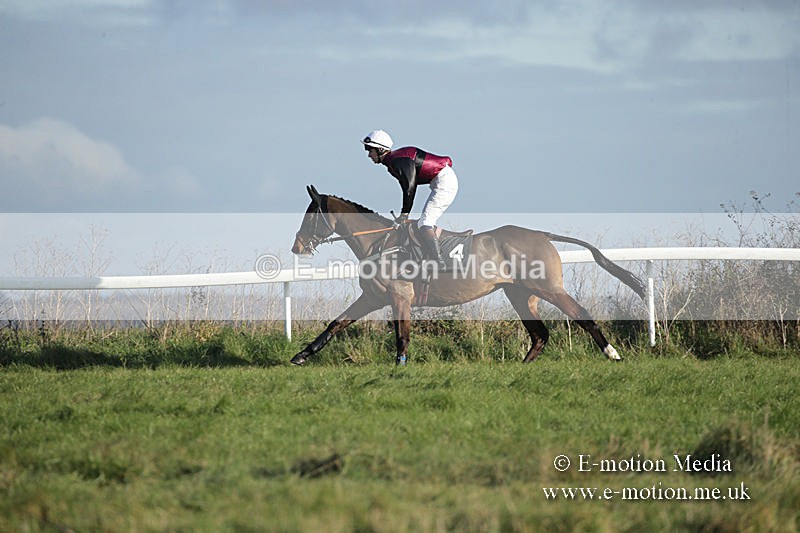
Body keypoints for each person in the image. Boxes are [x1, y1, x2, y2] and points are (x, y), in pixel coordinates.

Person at [361, 129, 459, 266]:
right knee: (421, 223)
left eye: (370, 150)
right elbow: (408, 188)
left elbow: (409, 188)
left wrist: (404, 214)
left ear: (381, 150)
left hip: (444, 181)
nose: (369, 155)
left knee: (425, 223)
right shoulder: (393, 162)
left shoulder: (398, 161)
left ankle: (439, 261)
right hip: (439, 181)